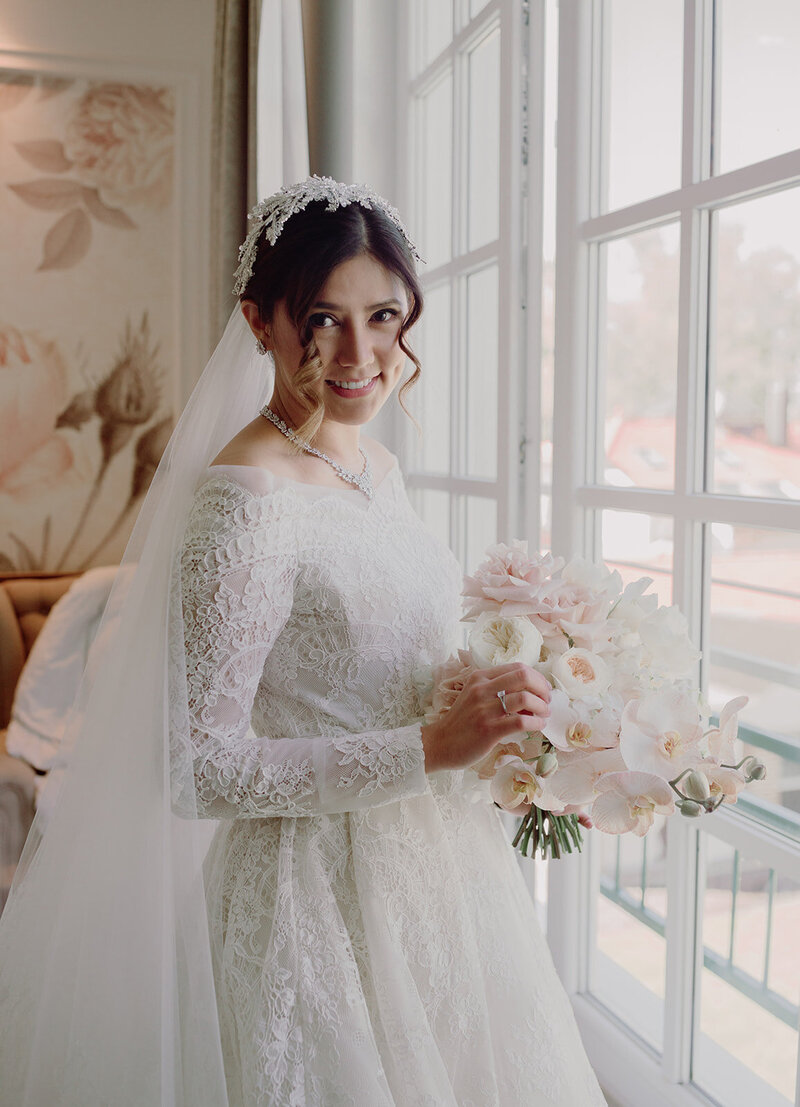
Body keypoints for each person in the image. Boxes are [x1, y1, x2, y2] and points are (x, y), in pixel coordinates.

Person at [0, 177, 606, 1106]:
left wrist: (489, 704)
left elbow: (377, 654)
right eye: (322, 319)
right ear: (260, 321)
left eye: (384, 315)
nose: (358, 353)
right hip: (309, 901)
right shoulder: (245, 498)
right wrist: (425, 747)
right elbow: (201, 768)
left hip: (438, 871)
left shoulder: (372, 461)